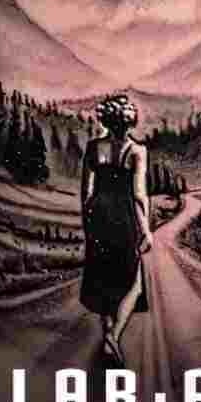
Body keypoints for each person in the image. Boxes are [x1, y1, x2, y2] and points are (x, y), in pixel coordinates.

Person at [80, 95, 153, 366]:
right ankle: (113, 337)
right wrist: (146, 230)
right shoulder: (137, 151)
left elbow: (86, 193)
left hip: (98, 215)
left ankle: (109, 333)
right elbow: (139, 196)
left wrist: (88, 223)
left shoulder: (93, 147)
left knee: (103, 277)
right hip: (124, 217)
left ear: (106, 120)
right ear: (129, 121)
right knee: (134, 283)